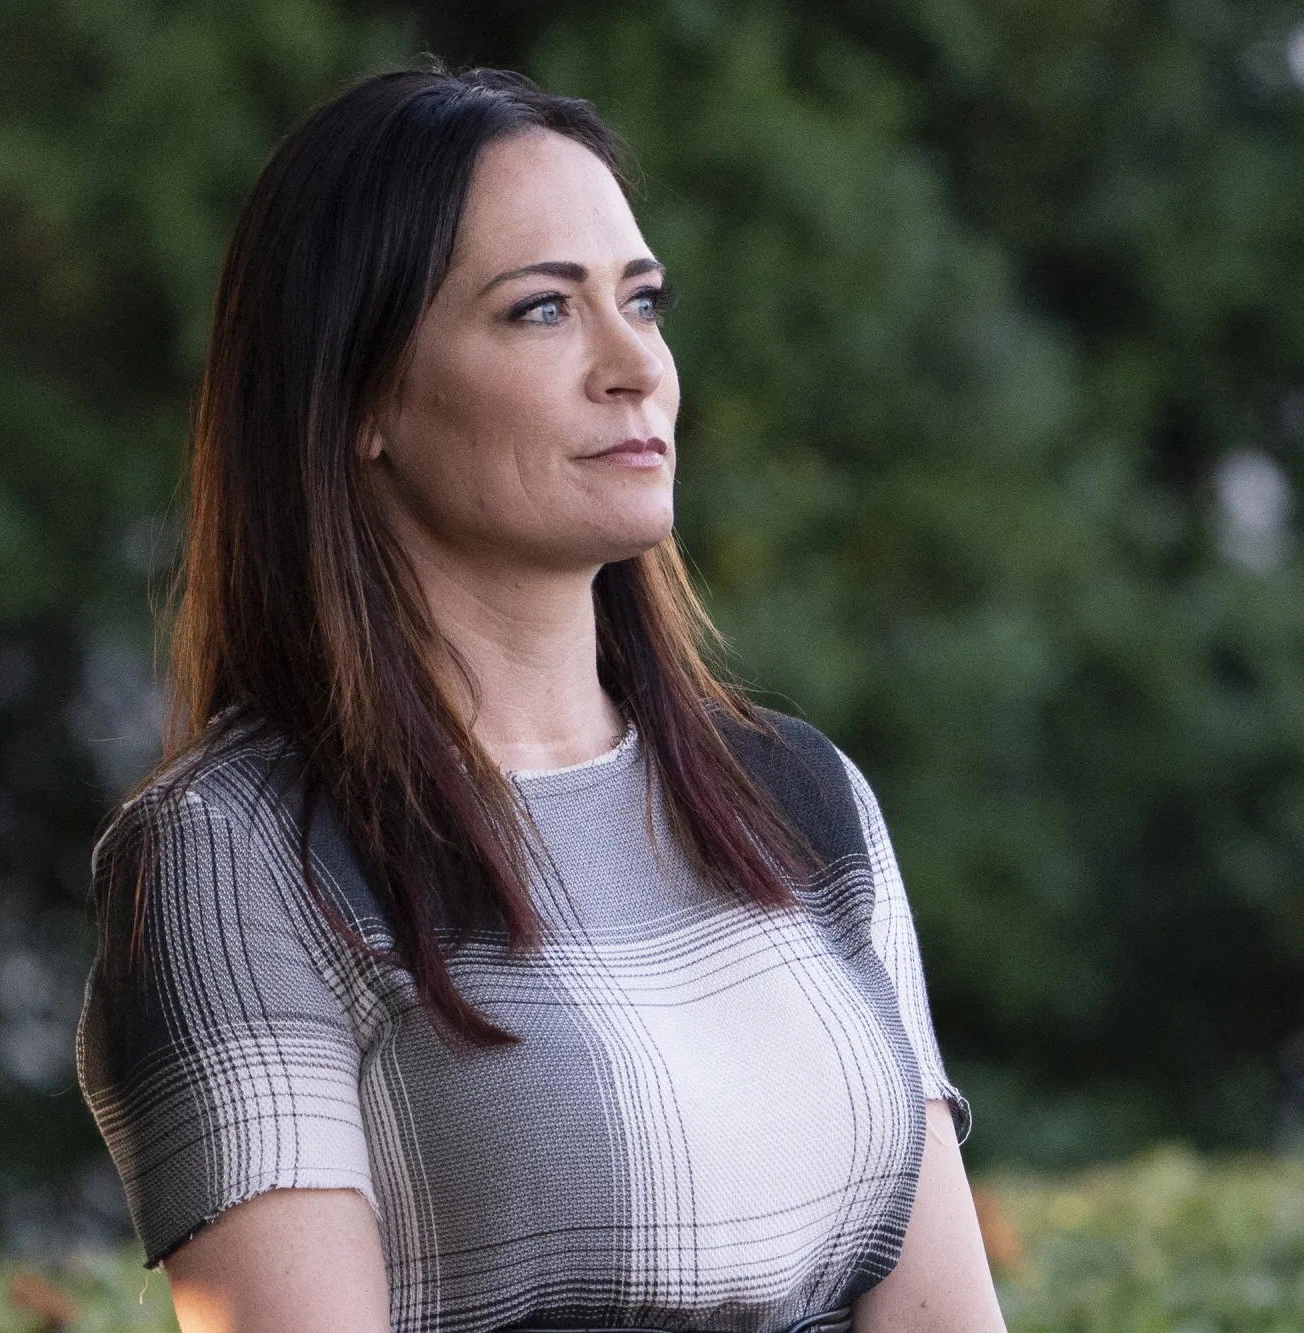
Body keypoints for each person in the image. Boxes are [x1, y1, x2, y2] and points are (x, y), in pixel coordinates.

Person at [75, 63, 1008, 1333]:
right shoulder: (233, 859)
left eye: (642, 300)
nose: (635, 365)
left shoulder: (800, 798)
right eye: (539, 312)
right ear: (360, 399)